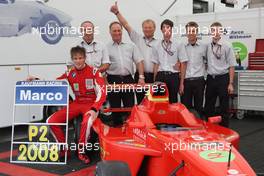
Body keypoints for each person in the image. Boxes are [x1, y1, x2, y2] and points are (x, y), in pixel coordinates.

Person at [27, 46, 106, 164]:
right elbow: (54, 81)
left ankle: (81, 151)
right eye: (75, 58)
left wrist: (95, 108)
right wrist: (36, 79)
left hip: (91, 104)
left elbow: (102, 91)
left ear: (85, 58)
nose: (78, 61)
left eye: (80, 58)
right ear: (72, 59)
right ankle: (64, 149)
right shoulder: (70, 73)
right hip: (77, 103)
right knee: (50, 120)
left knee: (87, 122)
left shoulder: (94, 71)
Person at [110, 2, 157, 104]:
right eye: (145, 27)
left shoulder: (159, 43)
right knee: (141, 103)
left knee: (154, 103)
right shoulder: (137, 38)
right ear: (142, 28)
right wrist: (117, 12)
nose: (147, 29)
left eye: (150, 27)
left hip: (154, 77)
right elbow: (126, 25)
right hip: (140, 76)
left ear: (154, 29)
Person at [106, 21, 144, 122]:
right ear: (110, 32)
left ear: (122, 31)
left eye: (119, 30)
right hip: (112, 80)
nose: (117, 32)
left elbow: (139, 61)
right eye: (114, 31)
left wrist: (141, 77)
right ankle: (116, 129)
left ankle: (130, 130)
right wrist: (105, 81)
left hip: (128, 80)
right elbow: (104, 65)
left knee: (130, 108)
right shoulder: (106, 48)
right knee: (115, 108)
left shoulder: (131, 46)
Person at [204, 22, 236, 127]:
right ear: (211, 32)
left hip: (223, 78)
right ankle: (209, 128)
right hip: (210, 79)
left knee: (224, 107)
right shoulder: (207, 46)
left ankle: (224, 130)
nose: (216, 33)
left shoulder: (227, 45)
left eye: (218, 30)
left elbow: (232, 65)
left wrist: (230, 83)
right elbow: (204, 61)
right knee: (209, 106)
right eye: (213, 30)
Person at [152, 19, 188, 103]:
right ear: (161, 30)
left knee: (172, 102)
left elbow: (183, 63)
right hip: (160, 76)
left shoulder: (178, 44)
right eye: (164, 27)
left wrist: (181, 83)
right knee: (159, 102)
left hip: (173, 76)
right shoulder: (156, 45)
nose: (166, 29)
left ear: (171, 29)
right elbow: (156, 64)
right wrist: (154, 80)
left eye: (168, 27)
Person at [181, 21, 207, 115]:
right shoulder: (182, 47)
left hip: (199, 81)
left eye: (193, 31)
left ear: (196, 32)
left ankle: (199, 127)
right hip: (186, 81)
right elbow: (181, 64)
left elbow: (207, 62)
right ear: (186, 32)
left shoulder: (204, 47)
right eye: (189, 31)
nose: (191, 33)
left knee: (199, 107)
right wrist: (181, 83)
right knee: (185, 108)